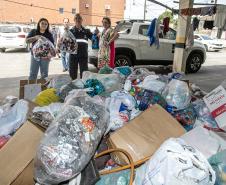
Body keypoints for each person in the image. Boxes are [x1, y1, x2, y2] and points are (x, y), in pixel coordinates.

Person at [69, 14, 92, 80]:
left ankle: (84, 86)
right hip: (73, 55)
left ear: (82, 20)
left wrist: (98, 35)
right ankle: (73, 85)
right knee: (73, 73)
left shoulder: (87, 31)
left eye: (79, 18)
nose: (78, 20)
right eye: (76, 18)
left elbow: (94, 38)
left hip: (83, 55)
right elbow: (64, 42)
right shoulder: (70, 31)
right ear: (74, 20)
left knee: (84, 73)